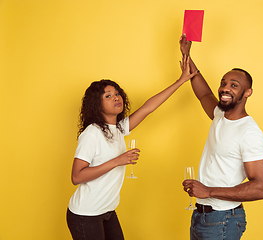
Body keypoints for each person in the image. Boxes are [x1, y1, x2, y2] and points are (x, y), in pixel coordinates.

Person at [66, 55, 198, 240]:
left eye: (117, 93)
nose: (116, 97)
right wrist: (118, 161)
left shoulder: (118, 129)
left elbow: (148, 107)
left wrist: (181, 81)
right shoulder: (92, 133)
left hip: (107, 211)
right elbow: (77, 176)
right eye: (108, 96)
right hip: (86, 214)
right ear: (97, 104)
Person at [180, 34, 263, 240]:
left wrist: (209, 191)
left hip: (224, 220)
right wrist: (187, 55)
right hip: (202, 216)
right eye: (223, 83)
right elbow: (203, 94)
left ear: (248, 93)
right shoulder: (220, 115)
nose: (225, 88)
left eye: (234, 85)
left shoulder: (249, 132)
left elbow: (262, 187)